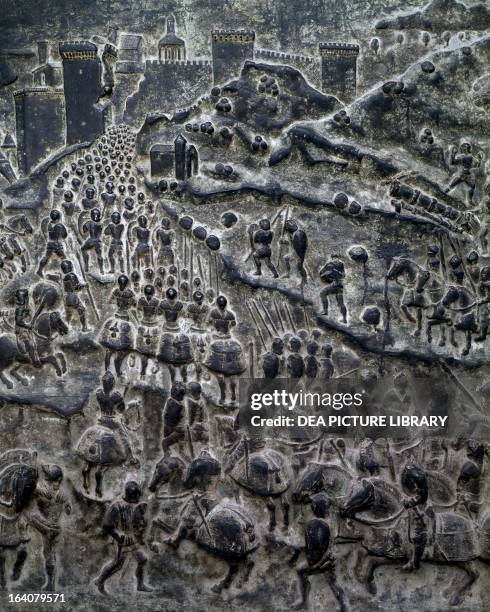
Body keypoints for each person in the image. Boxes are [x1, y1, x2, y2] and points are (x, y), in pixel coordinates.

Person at [94, 481, 152, 594]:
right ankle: (100, 581)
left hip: (132, 539)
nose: (137, 499)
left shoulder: (137, 505)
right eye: (135, 497)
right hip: (122, 541)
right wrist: (117, 534)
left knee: (143, 559)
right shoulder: (116, 506)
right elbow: (106, 525)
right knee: (117, 564)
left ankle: (140, 584)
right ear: (130, 496)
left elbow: (138, 521)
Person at [292, 493, 346, 611]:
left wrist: (314, 562)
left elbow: (313, 546)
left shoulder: (315, 524)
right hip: (328, 560)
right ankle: (343, 605)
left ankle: (304, 601)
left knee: (301, 571)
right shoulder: (328, 523)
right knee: (333, 583)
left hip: (321, 561)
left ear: (314, 508)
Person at [28, 465, 71, 592]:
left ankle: (50, 584)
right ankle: (51, 584)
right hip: (54, 525)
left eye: (46, 477)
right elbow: (68, 510)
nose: (44, 479)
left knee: (48, 554)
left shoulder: (42, 489)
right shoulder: (63, 493)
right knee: (49, 553)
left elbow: (30, 490)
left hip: (46, 526)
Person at [14, 288, 41, 367]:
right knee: (30, 345)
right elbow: (18, 321)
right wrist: (27, 325)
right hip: (22, 330)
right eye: (22, 297)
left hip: (26, 329)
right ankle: (34, 361)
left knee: (33, 344)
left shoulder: (24, 307)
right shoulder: (20, 309)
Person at [37, 210, 67, 277]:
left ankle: (39, 270)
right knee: (64, 258)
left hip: (50, 243)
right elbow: (64, 235)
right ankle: (66, 272)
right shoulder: (59, 225)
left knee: (46, 257)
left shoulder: (49, 225)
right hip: (57, 244)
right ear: (59, 217)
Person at [319, 255, 347, 323]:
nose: (335, 260)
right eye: (334, 258)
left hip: (338, 285)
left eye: (337, 258)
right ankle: (343, 318)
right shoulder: (329, 264)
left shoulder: (340, 264)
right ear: (332, 259)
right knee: (323, 293)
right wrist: (327, 274)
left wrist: (335, 272)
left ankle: (343, 318)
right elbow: (321, 273)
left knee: (340, 302)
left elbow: (343, 275)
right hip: (336, 284)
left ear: (338, 258)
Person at [61, 259, 87, 331]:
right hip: (73, 296)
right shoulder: (72, 275)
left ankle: (67, 325)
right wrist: (84, 285)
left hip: (67, 297)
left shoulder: (65, 277)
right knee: (81, 310)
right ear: (70, 267)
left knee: (69, 314)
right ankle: (84, 327)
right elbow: (76, 287)